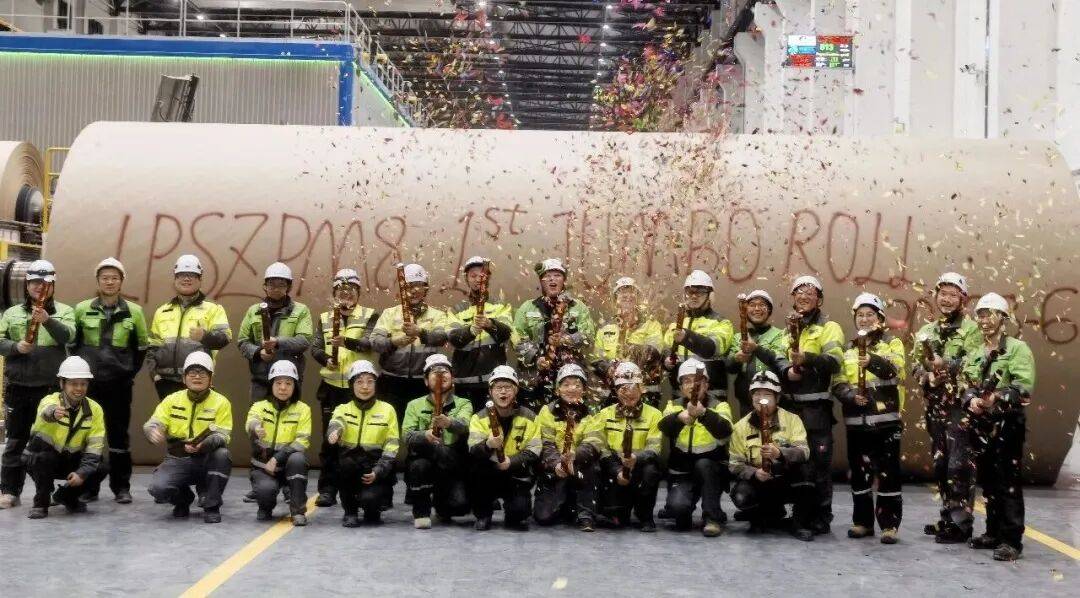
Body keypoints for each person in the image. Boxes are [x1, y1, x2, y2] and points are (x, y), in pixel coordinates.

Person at [959, 292, 1035, 562]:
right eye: (981, 315)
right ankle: (993, 532)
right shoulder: (975, 351)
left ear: (1003, 318)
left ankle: (1011, 540)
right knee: (988, 480)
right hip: (981, 423)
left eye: (991, 315)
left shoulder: (1017, 349)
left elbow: (1023, 387)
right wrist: (971, 399)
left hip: (1007, 422)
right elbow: (965, 383)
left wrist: (997, 397)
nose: (985, 320)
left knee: (1008, 481)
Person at [0, 259, 76, 509]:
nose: (38, 286)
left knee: (48, 441)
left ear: (52, 285)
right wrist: (15, 347)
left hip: (50, 390)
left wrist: (48, 320)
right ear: (27, 284)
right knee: (15, 440)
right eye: (34, 282)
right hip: (18, 387)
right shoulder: (11, 313)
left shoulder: (64, 311)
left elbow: (69, 337)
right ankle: (9, 491)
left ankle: (45, 491)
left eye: (44, 282)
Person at [911, 272, 981, 539]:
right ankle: (947, 516)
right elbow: (915, 366)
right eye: (943, 294)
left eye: (953, 295)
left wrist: (948, 366)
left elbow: (975, 363)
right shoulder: (926, 331)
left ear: (963, 299)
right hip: (935, 405)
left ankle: (961, 524)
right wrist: (927, 376)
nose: (947, 299)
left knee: (959, 464)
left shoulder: (972, 330)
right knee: (941, 463)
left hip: (959, 407)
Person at [831, 293, 905, 544]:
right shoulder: (847, 349)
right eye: (860, 315)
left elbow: (896, 370)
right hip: (857, 423)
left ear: (880, 318)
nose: (864, 319)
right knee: (859, 474)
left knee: (888, 474)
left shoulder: (891, 343)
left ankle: (889, 525)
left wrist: (872, 361)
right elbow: (838, 382)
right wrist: (850, 396)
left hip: (886, 422)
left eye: (870, 315)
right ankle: (862, 522)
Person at [310, 268, 380, 507]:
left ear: (358, 292)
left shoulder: (370, 315)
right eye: (341, 290)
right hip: (331, 387)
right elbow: (316, 347)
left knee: (360, 440)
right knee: (330, 440)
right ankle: (328, 489)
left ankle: (360, 489)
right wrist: (325, 359)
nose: (346, 294)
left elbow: (370, 343)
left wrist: (346, 342)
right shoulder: (325, 317)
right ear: (334, 293)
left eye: (351, 290)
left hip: (359, 388)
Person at [780, 274, 844, 534]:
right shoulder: (788, 330)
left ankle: (821, 516)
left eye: (810, 293)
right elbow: (780, 361)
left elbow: (835, 361)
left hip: (816, 410)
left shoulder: (829, 327)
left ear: (820, 299)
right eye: (799, 292)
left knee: (819, 464)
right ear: (792, 297)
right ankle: (800, 515)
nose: (804, 297)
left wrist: (806, 358)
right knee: (795, 463)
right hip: (790, 410)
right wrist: (787, 370)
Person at [144, 351, 233, 523]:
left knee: (223, 455)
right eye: (192, 372)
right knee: (158, 489)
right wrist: (152, 430)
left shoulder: (222, 402)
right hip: (178, 458)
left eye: (202, 373)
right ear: (184, 378)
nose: (197, 376)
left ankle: (211, 505)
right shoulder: (171, 400)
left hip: (206, 457)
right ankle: (183, 499)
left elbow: (223, 435)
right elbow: (153, 422)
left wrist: (203, 445)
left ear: (211, 379)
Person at [729, 371, 815, 541]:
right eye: (757, 394)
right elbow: (734, 464)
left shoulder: (792, 420)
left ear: (777, 398)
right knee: (741, 494)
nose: (761, 399)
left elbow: (804, 451)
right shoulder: (740, 427)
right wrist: (754, 473)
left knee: (807, 471)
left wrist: (781, 453)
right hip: (760, 481)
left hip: (786, 478)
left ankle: (800, 523)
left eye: (767, 395)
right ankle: (762, 517)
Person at [23, 357, 107, 519]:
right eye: (73, 384)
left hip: (71, 461)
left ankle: (67, 497)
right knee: (43, 458)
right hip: (42, 459)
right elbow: (46, 411)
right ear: (62, 383)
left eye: (83, 384)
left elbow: (95, 447)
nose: (79, 388)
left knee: (101, 467)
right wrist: (53, 413)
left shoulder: (95, 409)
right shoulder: (50, 400)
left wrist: (82, 473)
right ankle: (41, 502)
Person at [659, 358, 733, 537]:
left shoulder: (720, 405)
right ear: (680, 386)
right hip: (682, 471)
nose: (693, 385)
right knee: (678, 513)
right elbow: (664, 427)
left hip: (711, 469)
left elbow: (725, 430)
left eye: (698, 381)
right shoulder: (673, 405)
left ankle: (712, 518)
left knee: (704, 465)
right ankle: (682, 507)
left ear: (706, 385)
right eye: (687, 381)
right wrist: (679, 418)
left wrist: (704, 413)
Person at [512, 258, 596, 411]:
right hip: (536, 379)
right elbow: (516, 338)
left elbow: (589, 337)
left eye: (557, 275)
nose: (552, 279)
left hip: (569, 381)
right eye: (547, 276)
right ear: (541, 281)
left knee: (570, 417)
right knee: (537, 418)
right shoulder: (528, 307)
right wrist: (536, 357)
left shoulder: (578, 307)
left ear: (564, 280)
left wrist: (565, 340)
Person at [587, 362, 663, 532]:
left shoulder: (654, 415)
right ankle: (617, 508)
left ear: (641, 389)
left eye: (633, 387)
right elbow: (601, 448)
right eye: (623, 388)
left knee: (651, 470)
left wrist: (636, 459)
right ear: (616, 390)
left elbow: (654, 448)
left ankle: (645, 515)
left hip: (640, 466)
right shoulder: (605, 414)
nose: (629, 393)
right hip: (614, 467)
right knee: (617, 521)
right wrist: (617, 470)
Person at [400, 354, 473, 529]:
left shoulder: (464, 403)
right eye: (435, 372)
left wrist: (449, 423)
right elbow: (407, 436)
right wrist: (425, 435)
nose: (440, 374)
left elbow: (466, 425)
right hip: (423, 460)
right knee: (419, 465)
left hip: (451, 463)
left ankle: (442, 501)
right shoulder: (414, 405)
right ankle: (421, 510)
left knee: (459, 506)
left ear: (452, 378)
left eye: (445, 371)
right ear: (426, 381)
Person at [371, 263, 452, 418]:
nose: (414, 291)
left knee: (420, 428)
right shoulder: (389, 314)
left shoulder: (437, 315)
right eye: (409, 286)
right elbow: (374, 342)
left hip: (423, 384)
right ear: (402, 290)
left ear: (425, 289)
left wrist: (420, 332)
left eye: (418, 285)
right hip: (390, 383)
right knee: (390, 426)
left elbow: (442, 338)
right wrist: (394, 342)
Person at [146, 254, 231, 400]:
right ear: (175, 279)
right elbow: (152, 346)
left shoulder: (213, 309)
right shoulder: (162, 311)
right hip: (166, 383)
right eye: (181, 275)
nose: (186, 279)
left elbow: (225, 338)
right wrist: (155, 375)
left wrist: (204, 336)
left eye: (192, 275)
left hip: (198, 379)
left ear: (200, 279)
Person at [326, 360, 400, 527]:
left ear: (376, 384)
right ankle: (350, 511)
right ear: (352, 385)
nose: (365, 387)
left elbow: (392, 446)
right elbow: (336, 422)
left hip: (375, 466)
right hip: (350, 464)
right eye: (359, 382)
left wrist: (378, 471)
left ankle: (374, 506)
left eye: (370, 381)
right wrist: (335, 432)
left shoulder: (387, 410)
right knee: (343, 465)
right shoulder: (343, 408)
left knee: (371, 504)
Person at [467, 365, 541, 530]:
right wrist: (488, 445)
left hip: (515, 472)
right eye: (498, 387)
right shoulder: (479, 417)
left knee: (519, 514)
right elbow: (473, 449)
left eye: (508, 387)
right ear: (490, 391)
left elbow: (534, 450)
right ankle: (483, 513)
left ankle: (514, 511)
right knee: (477, 468)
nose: (503, 392)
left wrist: (511, 462)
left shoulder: (530, 417)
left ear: (516, 390)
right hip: (488, 472)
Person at [533, 363, 601, 531]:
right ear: (558, 389)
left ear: (584, 390)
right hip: (554, 467)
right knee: (543, 518)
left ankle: (585, 514)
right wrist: (557, 463)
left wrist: (574, 456)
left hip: (580, 465)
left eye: (577, 385)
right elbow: (545, 442)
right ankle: (564, 502)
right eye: (566, 384)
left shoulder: (592, 412)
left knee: (591, 465)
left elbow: (593, 442)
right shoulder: (547, 411)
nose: (572, 389)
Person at [246, 360, 312, 526]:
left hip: (288, 464)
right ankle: (265, 506)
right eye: (278, 383)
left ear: (295, 386)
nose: (283, 388)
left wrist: (277, 458)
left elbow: (302, 441)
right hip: (264, 466)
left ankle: (298, 511)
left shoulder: (303, 409)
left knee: (298, 459)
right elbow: (251, 421)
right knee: (265, 492)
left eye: (288, 383)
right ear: (271, 385)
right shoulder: (259, 406)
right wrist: (256, 427)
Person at [237, 262, 313, 401]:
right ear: (265, 286)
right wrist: (258, 352)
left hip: (288, 380)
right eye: (271, 284)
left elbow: (304, 341)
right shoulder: (254, 311)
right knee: (258, 414)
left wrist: (277, 342)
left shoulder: (301, 310)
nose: (276, 289)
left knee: (290, 414)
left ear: (289, 287)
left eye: (281, 285)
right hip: (260, 379)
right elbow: (243, 342)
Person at [447, 256, 514, 412]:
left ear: (488, 278)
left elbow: (506, 333)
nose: (478, 279)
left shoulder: (501, 305)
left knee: (492, 423)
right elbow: (453, 338)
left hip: (494, 383)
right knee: (465, 424)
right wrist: (470, 331)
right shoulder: (457, 309)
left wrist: (490, 324)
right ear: (467, 279)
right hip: (464, 383)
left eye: (482, 275)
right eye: (473, 276)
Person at [662, 269, 733, 405]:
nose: (694, 296)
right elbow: (666, 350)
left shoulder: (722, 323)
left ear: (710, 296)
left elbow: (711, 348)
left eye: (700, 292)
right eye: (690, 292)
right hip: (680, 396)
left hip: (712, 397)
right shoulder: (675, 325)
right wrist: (666, 361)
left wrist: (686, 337)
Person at [591, 277, 664, 407]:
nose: (627, 296)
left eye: (632, 292)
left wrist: (630, 352)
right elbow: (596, 359)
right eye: (622, 292)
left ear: (638, 299)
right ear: (615, 300)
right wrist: (608, 368)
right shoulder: (605, 327)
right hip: (612, 392)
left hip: (643, 391)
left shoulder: (651, 324)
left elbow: (654, 352)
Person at [726, 289, 789, 418]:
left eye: (762, 305)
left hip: (771, 396)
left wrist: (756, 348)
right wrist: (736, 359)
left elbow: (778, 361)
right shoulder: (738, 337)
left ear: (769, 310)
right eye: (752, 305)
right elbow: (729, 367)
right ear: (745, 310)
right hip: (745, 399)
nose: (757, 309)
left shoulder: (779, 334)